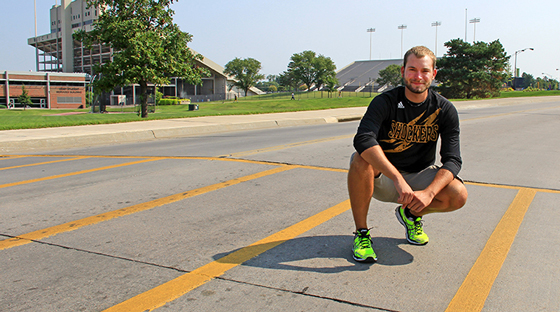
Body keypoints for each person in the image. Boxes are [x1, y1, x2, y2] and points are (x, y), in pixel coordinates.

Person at [348, 46, 468, 263]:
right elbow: (363, 139)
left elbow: (453, 160)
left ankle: (411, 215)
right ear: (403, 71)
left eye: (424, 71)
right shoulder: (385, 102)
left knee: (458, 194)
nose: (418, 76)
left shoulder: (444, 109)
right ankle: (362, 234)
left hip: (418, 177)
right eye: (412, 69)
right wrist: (397, 178)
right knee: (360, 159)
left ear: (434, 74)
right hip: (383, 178)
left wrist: (429, 193)